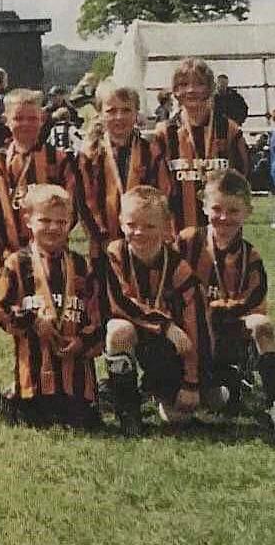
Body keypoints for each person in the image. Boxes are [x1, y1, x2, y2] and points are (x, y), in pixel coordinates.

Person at [0, 185, 102, 427]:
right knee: (35, 420)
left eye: (61, 222)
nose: (53, 227)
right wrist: (31, 321)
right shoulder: (17, 263)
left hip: (76, 375)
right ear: (28, 221)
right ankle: (15, 398)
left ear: (70, 223)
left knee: (81, 422)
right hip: (33, 376)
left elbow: (97, 314)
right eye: (45, 220)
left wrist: (83, 341)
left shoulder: (82, 265)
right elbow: (0, 309)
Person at [102, 186, 209, 436]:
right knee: (118, 330)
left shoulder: (178, 267)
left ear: (165, 226)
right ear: (120, 223)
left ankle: (158, 388)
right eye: (132, 224)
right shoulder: (114, 254)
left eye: (149, 226)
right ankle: (128, 410)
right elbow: (120, 302)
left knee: (177, 417)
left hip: (163, 345)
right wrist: (166, 326)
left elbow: (195, 323)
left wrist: (191, 382)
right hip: (135, 331)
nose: (139, 232)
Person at [176, 169, 275, 429]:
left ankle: (272, 400)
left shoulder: (250, 255)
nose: (224, 217)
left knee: (262, 325)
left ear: (247, 212)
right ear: (204, 206)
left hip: (228, 335)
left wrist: (225, 308)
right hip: (189, 338)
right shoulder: (187, 242)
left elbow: (255, 303)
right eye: (217, 209)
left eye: (233, 211)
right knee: (178, 415)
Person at [76, 86, 168, 266]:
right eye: (111, 111)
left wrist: (152, 231)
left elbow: (162, 193)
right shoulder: (89, 155)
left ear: (136, 114)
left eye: (126, 110)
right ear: (100, 114)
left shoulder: (151, 151)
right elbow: (84, 202)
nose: (119, 117)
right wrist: (101, 237)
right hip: (104, 245)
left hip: (146, 242)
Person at [156, 58, 250, 232]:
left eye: (199, 84)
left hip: (223, 231)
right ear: (175, 91)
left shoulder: (229, 130)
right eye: (183, 84)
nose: (191, 90)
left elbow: (242, 179)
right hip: (178, 233)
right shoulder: (164, 134)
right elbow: (157, 188)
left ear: (210, 88)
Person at [0, 88, 76, 263]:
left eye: (32, 118)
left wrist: (53, 237)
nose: (26, 124)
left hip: (52, 252)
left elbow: (72, 207)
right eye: (18, 118)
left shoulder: (58, 159)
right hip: (9, 254)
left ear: (42, 119)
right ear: (5, 120)